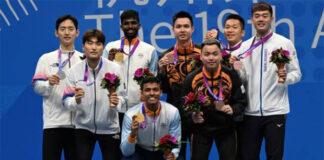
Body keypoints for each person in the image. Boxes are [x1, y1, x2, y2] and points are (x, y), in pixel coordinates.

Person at [233, 2, 302, 160]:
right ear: (252, 20)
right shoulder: (244, 47)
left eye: (265, 16)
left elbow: (297, 74)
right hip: (250, 112)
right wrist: (237, 70)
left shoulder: (284, 43)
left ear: (272, 19)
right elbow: (243, 80)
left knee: (274, 157)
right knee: (249, 157)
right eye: (257, 16)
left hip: (276, 112)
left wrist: (285, 78)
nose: (261, 19)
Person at [62, 29, 125, 160]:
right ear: (83, 46)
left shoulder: (115, 69)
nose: (94, 47)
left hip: (110, 129)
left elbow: (125, 100)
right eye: (90, 43)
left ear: (103, 47)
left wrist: (117, 102)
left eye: (98, 43)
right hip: (83, 128)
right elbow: (66, 102)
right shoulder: (73, 71)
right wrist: (76, 101)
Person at [182, 39, 247, 160]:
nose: (211, 58)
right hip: (201, 129)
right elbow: (183, 105)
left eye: (215, 54)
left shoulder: (231, 75)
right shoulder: (191, 78)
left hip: (226, 129)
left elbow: (241, 101)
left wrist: (233, 109)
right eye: (207, 54)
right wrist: (192, 116)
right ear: (200, 56)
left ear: (221, 56)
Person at [32, 14, 83, 160]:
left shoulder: (83, 60)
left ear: (77, 32)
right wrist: (48, 83)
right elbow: (37, 87)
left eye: (70, 29)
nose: (67, 32)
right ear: (56, 33)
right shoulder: (46, 59)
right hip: (53, 124)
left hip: (78, 126)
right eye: (63, 29)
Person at [103, 9, 158, 126]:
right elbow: (101, 77)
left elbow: (154, 81)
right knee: (116, 143)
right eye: (126, 23)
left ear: (139, 26)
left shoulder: (149, 50)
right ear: (121, 26)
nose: (130, 26)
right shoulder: (110, 47)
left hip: (140, 107)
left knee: (138, 142)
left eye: (133, 23)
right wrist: (108, 60)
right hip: (115, 106)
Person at [158, 11, 201, 159]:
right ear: (173, 29)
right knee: (176, 156)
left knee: (198, 155)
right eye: (178, 26)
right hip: (175, 115)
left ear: (192, 29)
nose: (182, 30)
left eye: (186, 26)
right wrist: (162, 71)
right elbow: (161, 89)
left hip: (198, 114)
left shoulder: (203, 54)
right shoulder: (165, 56)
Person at [120, 76, 181, 160]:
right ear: (141, 93)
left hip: (162, 151)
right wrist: (133, 134)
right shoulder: (130, 115)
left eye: (155, 89)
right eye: (147, 90)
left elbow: (175, 140)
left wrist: (173, 154)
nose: (152, 93)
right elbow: (126, 152)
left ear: (161, 92)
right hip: (141, 151)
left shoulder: (172, 112)